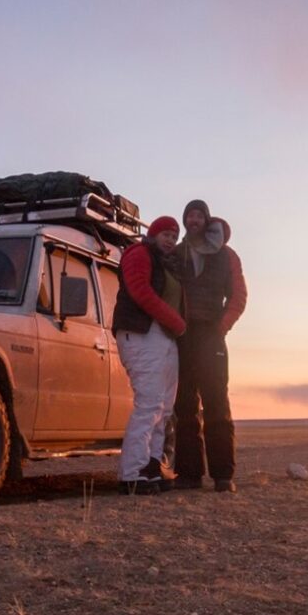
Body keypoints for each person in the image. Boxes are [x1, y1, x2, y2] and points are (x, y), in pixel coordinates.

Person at [173, 200, 247, 492]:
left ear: (206, 219)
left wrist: (221, 327)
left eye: (198, 215)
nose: (193, 220)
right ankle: (189, 475)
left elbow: (238, 296)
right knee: (185, 405)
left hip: (211, 336)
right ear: (185, 221)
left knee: (217, 403)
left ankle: (223, 475)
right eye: (189, 216)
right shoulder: (177, 253)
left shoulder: (227, 255)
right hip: (182, 335)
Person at [112, 216, 186, 495]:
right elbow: (140, 290)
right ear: (153, 234)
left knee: (164, 407)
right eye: (166, 234)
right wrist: (176, 321)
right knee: (150, 403)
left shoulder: (167, 264)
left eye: (174, 236)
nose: (170, 240)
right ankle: (132, 471)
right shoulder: (139, 254)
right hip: (141, 333)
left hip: (163, 336)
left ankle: (151, 467)